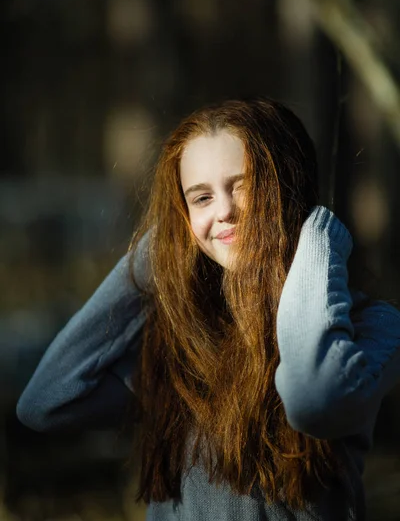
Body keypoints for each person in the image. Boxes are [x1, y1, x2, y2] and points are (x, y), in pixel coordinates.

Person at [17, 97, 400, 520]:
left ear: (286, 187)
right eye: (200, 198)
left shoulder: (371, 327)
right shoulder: (176, 346)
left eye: (242, 185)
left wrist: (317, 234)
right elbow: (43, 403)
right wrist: (159, 251)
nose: (224, 211)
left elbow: (316, 400)